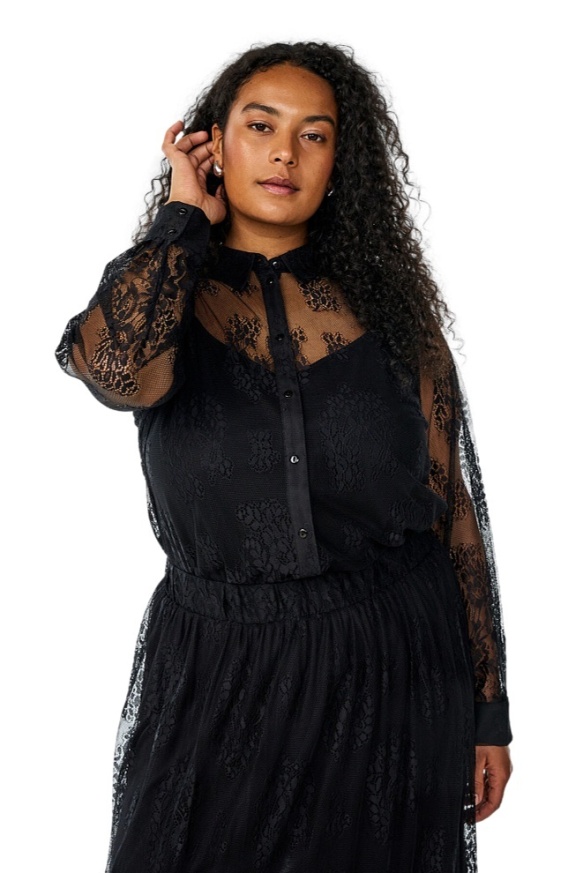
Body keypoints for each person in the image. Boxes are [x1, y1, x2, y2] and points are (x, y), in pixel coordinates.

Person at [55, 41, 513, 873]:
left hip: (392, 668)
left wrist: (488, 709)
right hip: (219, 672)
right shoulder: (163, 303)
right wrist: (182, 218)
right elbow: (118, 373)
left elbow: (452, 513)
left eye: (314, 135)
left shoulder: (395, 314)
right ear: (213, 144)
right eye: (261, 126)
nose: (284, 153)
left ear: (340, 164)